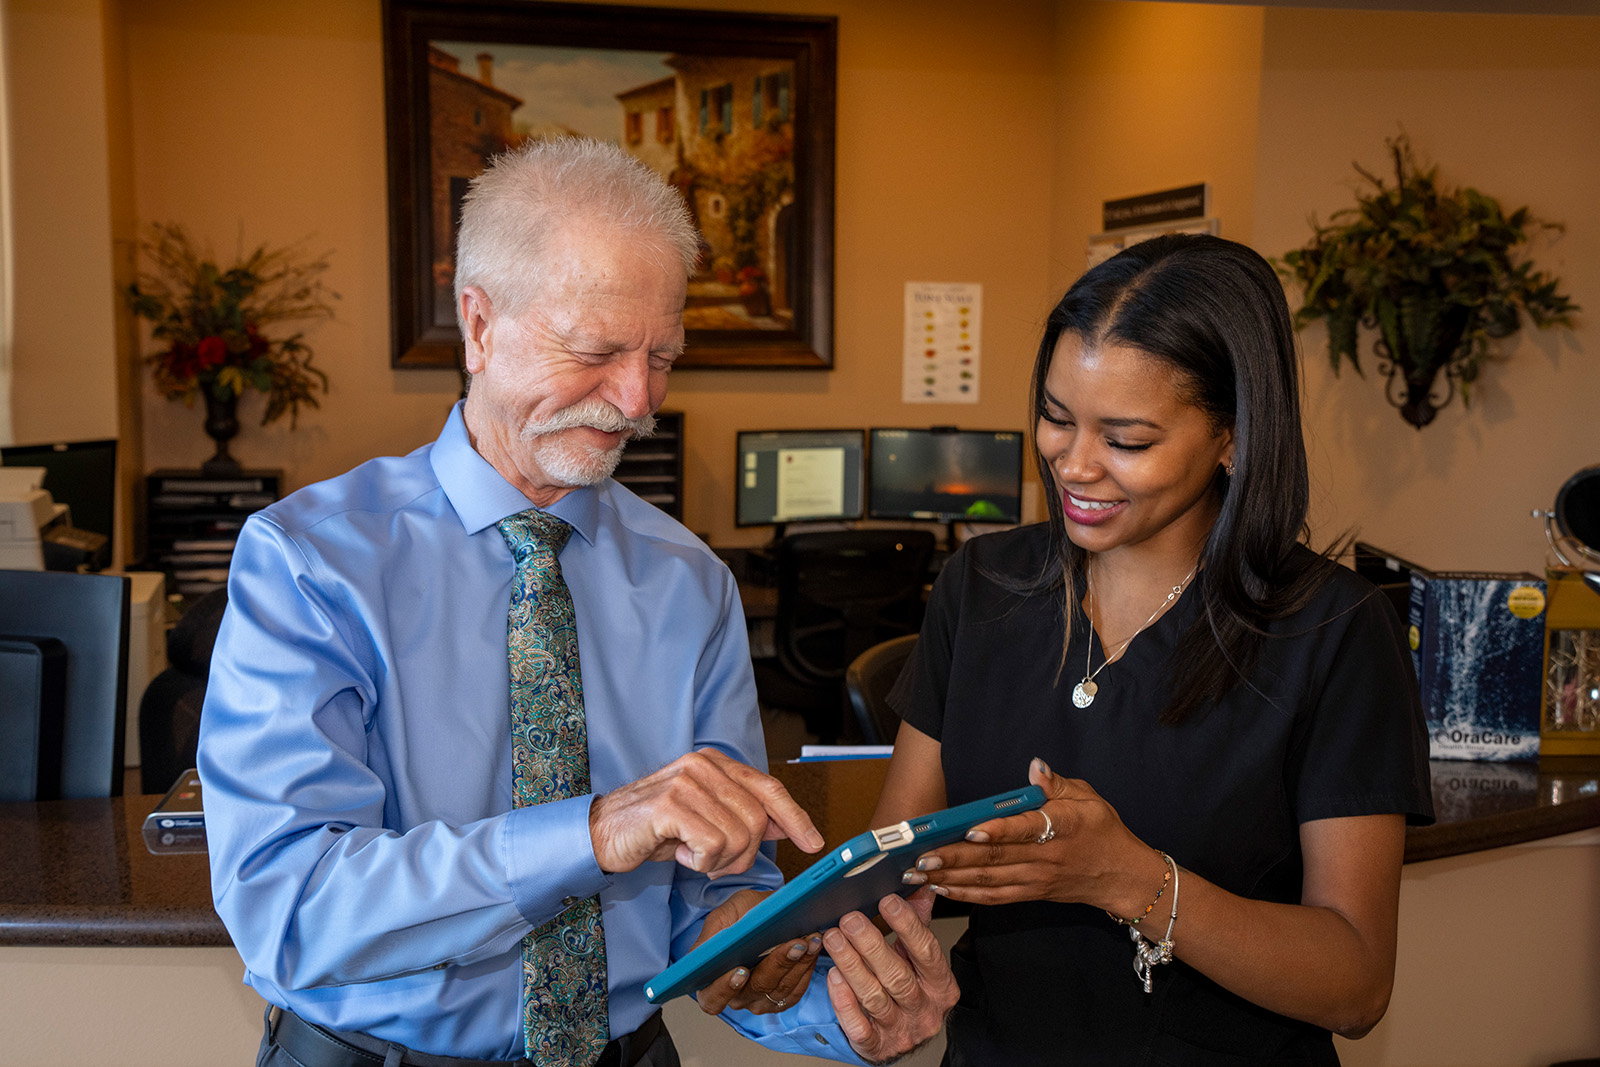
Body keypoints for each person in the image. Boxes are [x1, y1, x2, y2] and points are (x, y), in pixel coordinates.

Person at [198, 138, 955, 1067]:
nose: (638, 399)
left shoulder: (691, 582)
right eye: (595, 350)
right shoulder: (310, 563)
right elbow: (292, 906)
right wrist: (595, 831)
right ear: (478, 326)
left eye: (664, 357)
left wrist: (811, 984)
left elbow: (712, 904)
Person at [877, 233, 1434, 1065]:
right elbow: (898, 852)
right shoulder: (984, 582)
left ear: (1234, 438)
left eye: (1127, 440)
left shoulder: (1332, 631)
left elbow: (1355, 984)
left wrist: (1128, 879)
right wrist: (839, 942)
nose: (1074, 464)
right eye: (1057, 419)